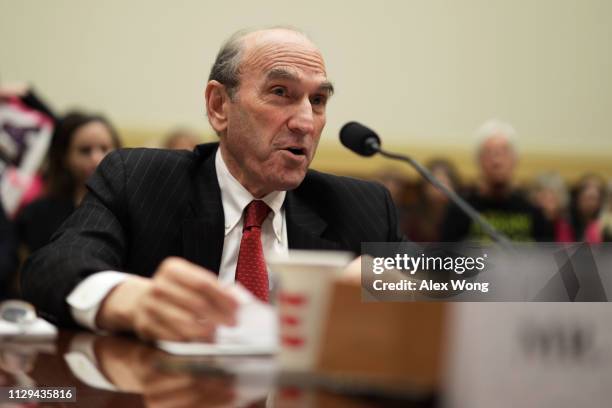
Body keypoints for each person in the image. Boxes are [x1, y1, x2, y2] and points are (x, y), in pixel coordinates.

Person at [21, 27, 403, 341]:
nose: (305, 122)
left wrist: (400, 277)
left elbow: (457, 273)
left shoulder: (361, 206)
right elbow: (52, 266)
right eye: (280, 93)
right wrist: (131, 300)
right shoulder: (140, 180)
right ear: (219, 106)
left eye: (318, 100)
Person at [16, 111, 122, 253]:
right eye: (85, 151)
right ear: (64, 157)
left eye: (104, 149)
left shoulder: (133, 208)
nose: (96, 159)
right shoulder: (39, 214)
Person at [441, 119, 553, 242]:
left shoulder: (534, 213)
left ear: (515, 159)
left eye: (504, 152)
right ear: (478, 161)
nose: (497, 161)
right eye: (489, 153)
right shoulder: (459, 211)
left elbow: (549, 259)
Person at [405, 159, 461, 242]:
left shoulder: (461, 217)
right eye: (435, 184)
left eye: (445, 183)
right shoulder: (412, 219)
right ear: (424, 187)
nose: (440, 189)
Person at [565, 174, 606, 243]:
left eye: (594, 199)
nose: (590, 204)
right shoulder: (566, 220)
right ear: (578, 197)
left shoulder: (604, 221)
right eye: (587, 198)